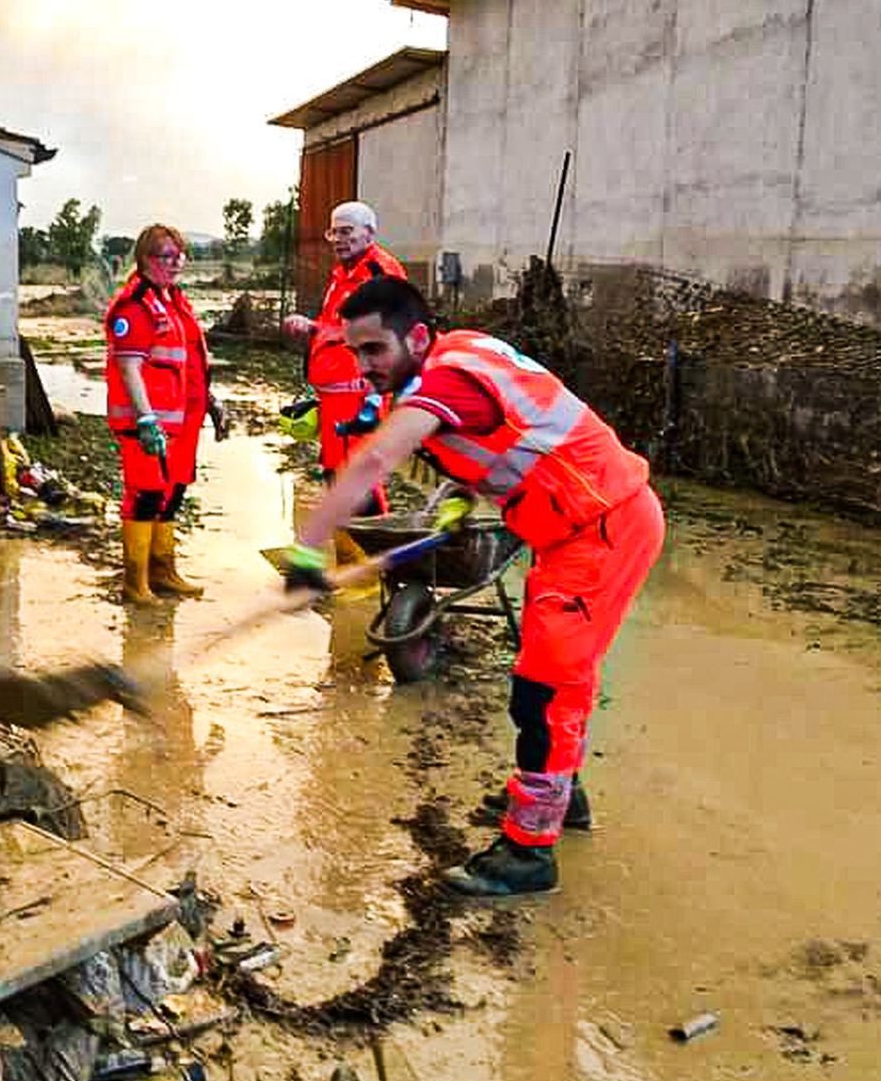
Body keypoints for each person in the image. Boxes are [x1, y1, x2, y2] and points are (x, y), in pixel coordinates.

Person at [280, 276, 665, 897]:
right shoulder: (455, 359)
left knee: (541, 693)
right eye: (354, 352)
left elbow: (375, 460)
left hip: (601, 529)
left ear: (418, 337)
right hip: (572, 532)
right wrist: (461, 496)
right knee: (559, 683)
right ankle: (561, 797)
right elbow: (500, 440)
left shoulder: (447, 380)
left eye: (374, 350)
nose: (364, 366)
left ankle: (528, 852)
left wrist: (307, 548)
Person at [105, 225, 228, 603]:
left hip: (182, 421)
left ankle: (164, 571)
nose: (175, 263)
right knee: (144, 496)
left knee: (172, 494)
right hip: (149, 424)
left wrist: (210, 401)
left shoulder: (173, 301)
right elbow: (128, 368)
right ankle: (135, 582)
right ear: (144, 260)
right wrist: (145, 419)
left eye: (179, 256)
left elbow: (190, 360)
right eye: (165, 256)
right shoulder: (136, 305)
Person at [282, 201, 408, 560]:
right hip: (334, 400)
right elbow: (338, 330)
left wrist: (372, 399)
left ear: (369, 232)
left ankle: (370, 571)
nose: (338, 239)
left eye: (347, 231)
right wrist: (312, 328)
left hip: (361, 398)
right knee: (336, 480)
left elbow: (387, 337)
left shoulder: (380, 273)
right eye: (334, 232)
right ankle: (350, 562)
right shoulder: (341, 274)